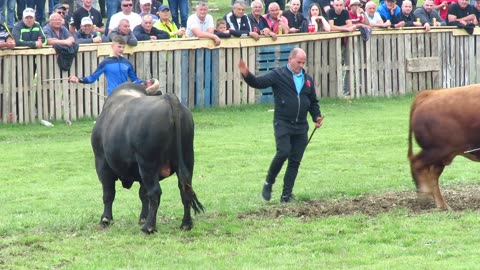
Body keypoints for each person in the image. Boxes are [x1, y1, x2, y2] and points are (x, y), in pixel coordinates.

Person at [238, 47, 324, 203]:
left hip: (301, 126)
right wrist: (246, 73)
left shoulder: (308, 79)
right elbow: (258, 82)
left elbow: (312, 102)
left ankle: (286, 195)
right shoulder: (278, 75)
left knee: (295, 161)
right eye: (299, 62)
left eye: (303, 62)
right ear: (290, 59)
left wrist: (316, 116)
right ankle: (268, 182)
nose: (301, 65)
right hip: (283, 122)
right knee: (283, 152)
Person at [68, 35, 144, 96]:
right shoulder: (106, 62)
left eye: (123, 47)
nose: (121, 49)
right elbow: (92, 78)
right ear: (112, 46)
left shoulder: (127, 62)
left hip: (126, 95)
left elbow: (135, 79)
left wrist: (145, 83)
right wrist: (78, 79)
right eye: (119, 47)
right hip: (113, 96)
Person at [328, 0, 355, 96]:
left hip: (344, 42)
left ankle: (345, 90)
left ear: (344, 5)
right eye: (337, 5)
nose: (339, 7)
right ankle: (334, 91)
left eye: (340, 5)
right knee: (334, 65)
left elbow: (350, 25)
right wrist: (345, 28)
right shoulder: (330, 12)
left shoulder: (345, 12)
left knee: (347, 64)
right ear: (333, 5)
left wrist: (339, 27)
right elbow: (331, 27)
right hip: (332, 43)